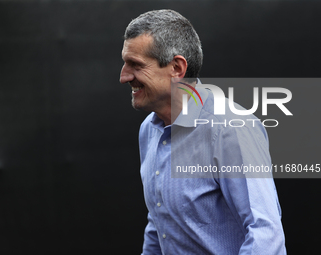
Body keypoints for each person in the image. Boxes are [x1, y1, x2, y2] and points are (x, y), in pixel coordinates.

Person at [120, 9, 286, 254]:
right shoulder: (150, 130)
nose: (124, 76)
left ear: (177, 67)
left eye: (135, 65)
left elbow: (266, 235)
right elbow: (160, 222)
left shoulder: (230, 129)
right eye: (125, 63)